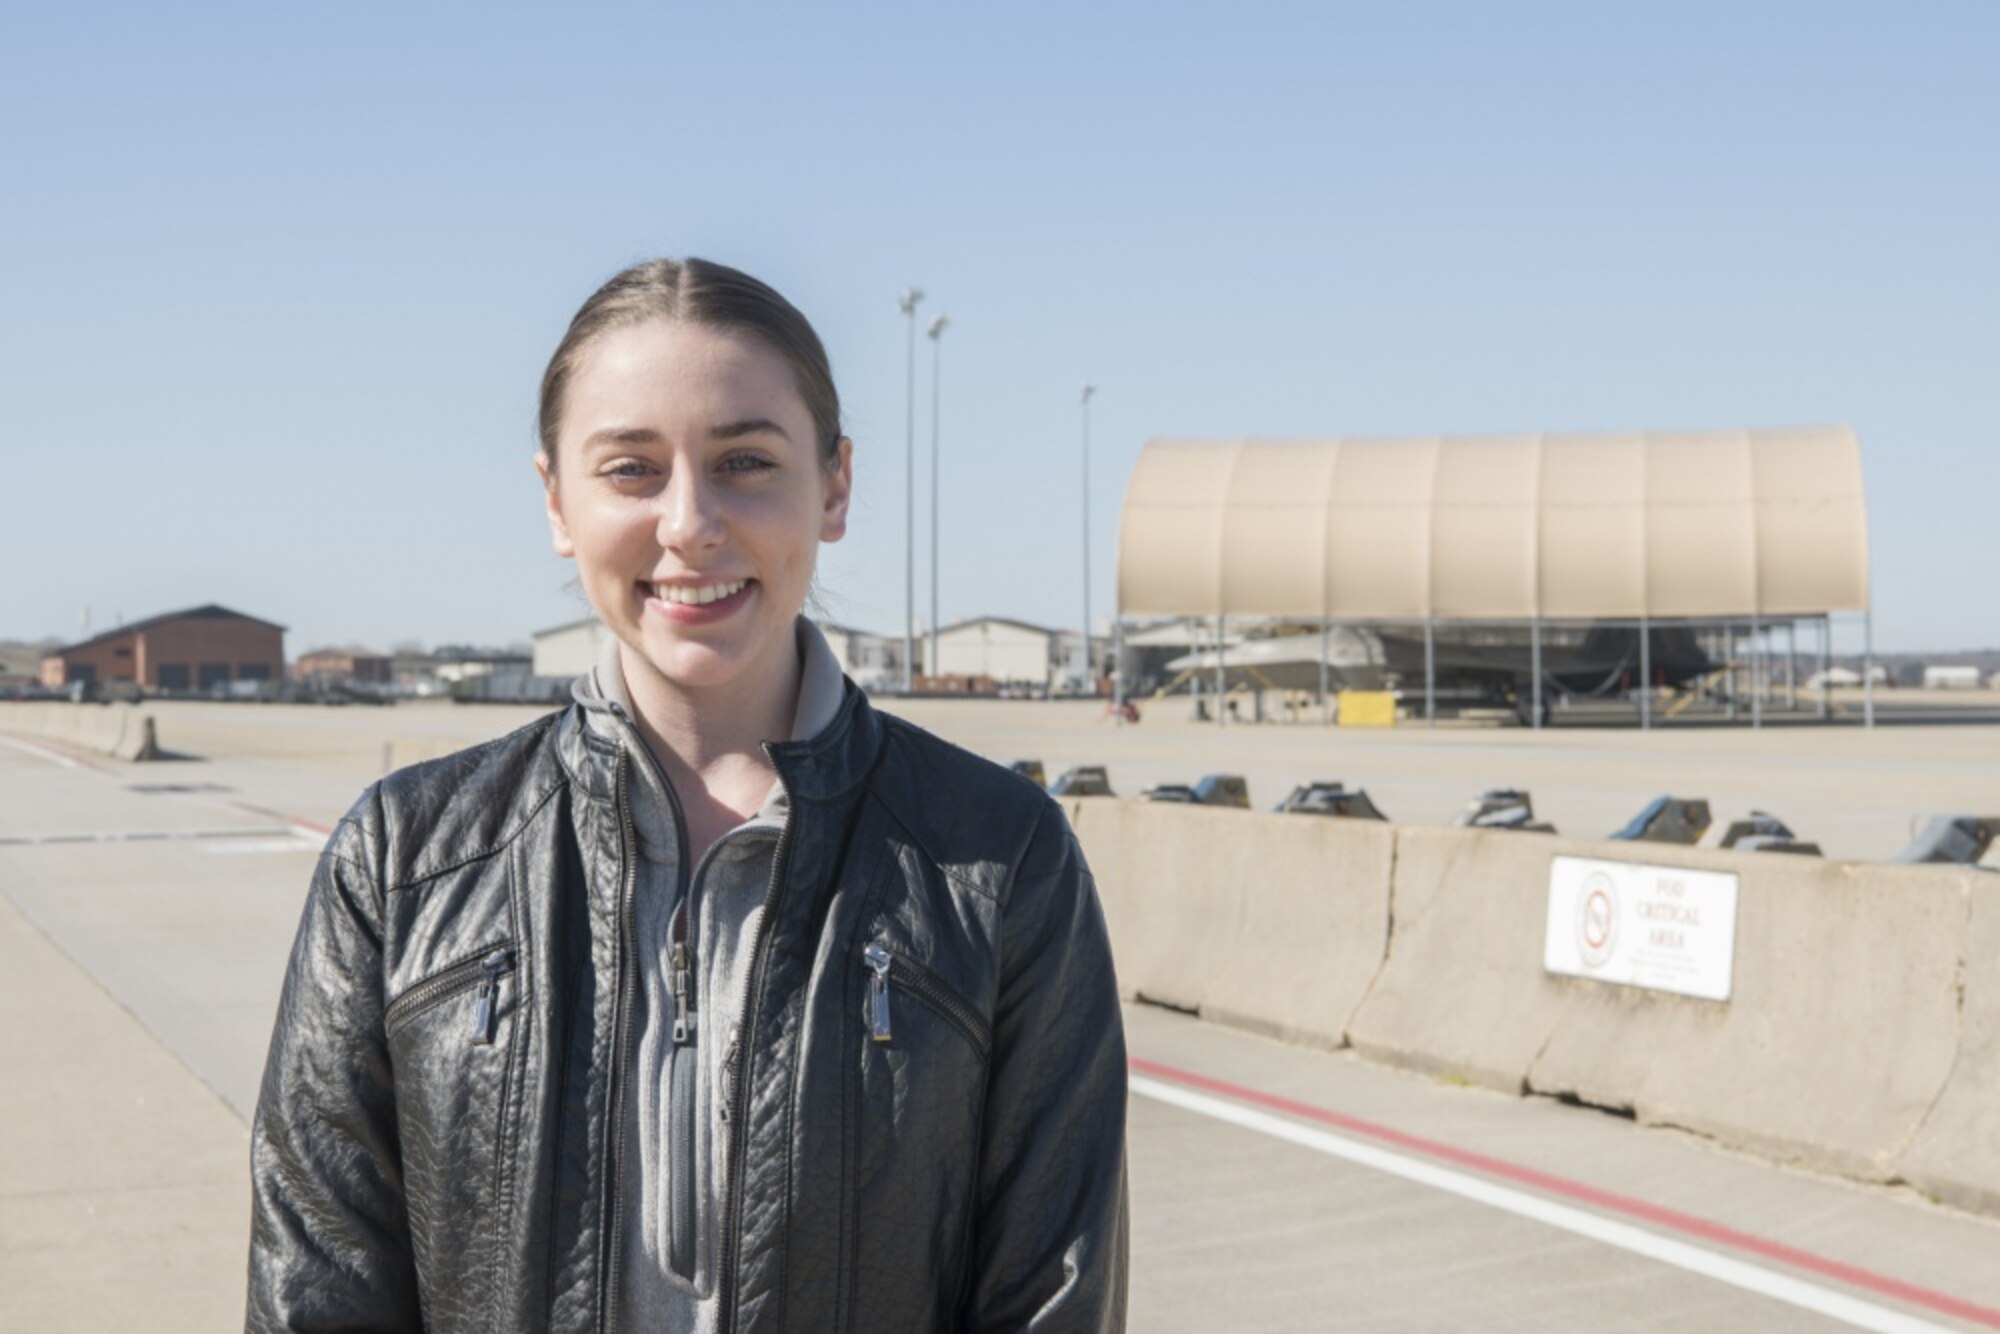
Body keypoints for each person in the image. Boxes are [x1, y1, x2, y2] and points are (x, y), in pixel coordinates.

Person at [245, 258, 1129, 1332]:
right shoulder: (401, 859)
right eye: (630, 469)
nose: (688, 522)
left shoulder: (1000, 858)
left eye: (745, 460)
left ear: (834, 483)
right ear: (555, 500)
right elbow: (320, 1290)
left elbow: (1053, 1295)